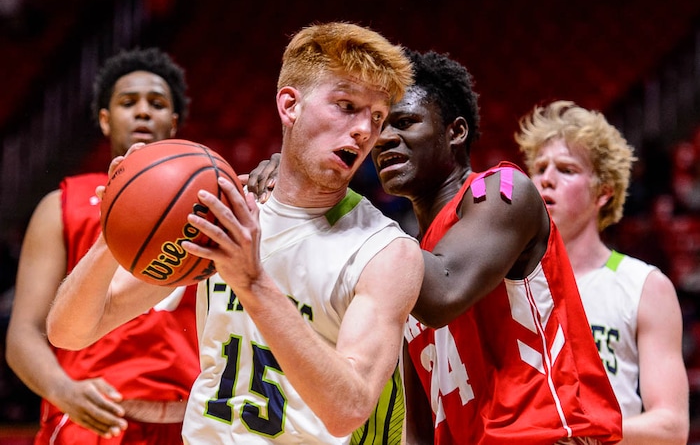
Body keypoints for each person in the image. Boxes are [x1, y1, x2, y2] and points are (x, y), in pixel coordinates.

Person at [46, 22, 424, 444]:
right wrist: (112, 232)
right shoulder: (223, 209)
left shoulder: (386, 251)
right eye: (346, 105)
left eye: (376, 116)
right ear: (289, 105)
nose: (364, 130)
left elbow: (348, 410)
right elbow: (71, 332)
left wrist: (253, 282)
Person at [246, 50, 623, 444]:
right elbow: (421, 423)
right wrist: (297, 183)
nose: (385, 137)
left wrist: (330, 195)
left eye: (405, 122)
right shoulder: (403, 260)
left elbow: (444, 293)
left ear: (455, 132)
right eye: (379, 127)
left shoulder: (500, 191)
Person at [5, 47, 199, 443]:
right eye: (129, 103)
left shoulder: (209, 202)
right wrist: (61, 390)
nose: (143, 112)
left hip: (192, 421)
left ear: (174, 122)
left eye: (157, 103)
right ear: (106, 121)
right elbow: (24, 332)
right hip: (93, 416)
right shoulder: (63, 203)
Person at [515, 100, 689, 444]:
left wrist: (576, 427)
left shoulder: (644, 285)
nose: (547, 180)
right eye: (539, 168)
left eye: (566, 169)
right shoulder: (502, 282)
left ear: (604, 192)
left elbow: (671, 427)